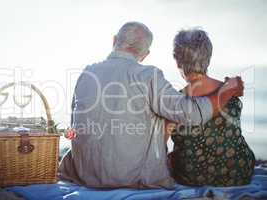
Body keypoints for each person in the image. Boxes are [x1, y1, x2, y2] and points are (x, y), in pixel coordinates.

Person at [59, 22, 244, 188]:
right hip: (128, 179)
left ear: (114, 40)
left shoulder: (86, 73)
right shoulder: (148, 76)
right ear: (145, 55)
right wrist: (227, 90)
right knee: (161, 113)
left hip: (84, 173)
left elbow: (76, 126)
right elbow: (192, 114)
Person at [167, 28, 255, 186]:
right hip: (239, 171)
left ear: (178, 61)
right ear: (208, 56)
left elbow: (159, 146)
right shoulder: (230, 90)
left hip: (193, 176)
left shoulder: (175, 101)